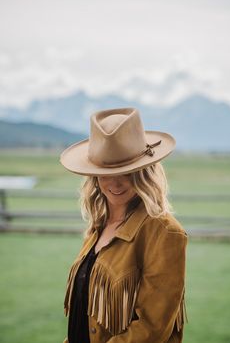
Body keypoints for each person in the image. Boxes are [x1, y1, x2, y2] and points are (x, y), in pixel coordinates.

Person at [60, 107, 187, 343]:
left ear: (144, 172)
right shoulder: (99, 225)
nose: (116, 183)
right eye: (106, 172)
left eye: (127, 172)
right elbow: (83, 315)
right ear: (94, 175)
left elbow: (152, 329)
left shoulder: (164, 232)